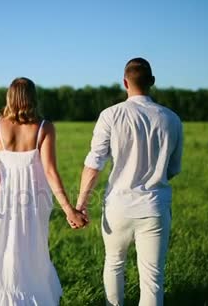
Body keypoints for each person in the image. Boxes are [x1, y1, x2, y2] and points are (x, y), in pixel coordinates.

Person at [75, 58, 183, 306]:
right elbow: (173, 169)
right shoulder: (172, 119)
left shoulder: (110, 115)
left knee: (114, 263)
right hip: (154, 208)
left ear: (125, 82)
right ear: (152, 82)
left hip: (117, 207)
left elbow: (94, 165)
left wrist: (80, 205)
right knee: (152, 278)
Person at [0, 77, 87, 305]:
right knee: (33, 252)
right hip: (35, 200)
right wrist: (69, 210)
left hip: (2, 200)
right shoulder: (45, 127)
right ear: (33, 97)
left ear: (9, 97)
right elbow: (51, 172)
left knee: (2, 250)